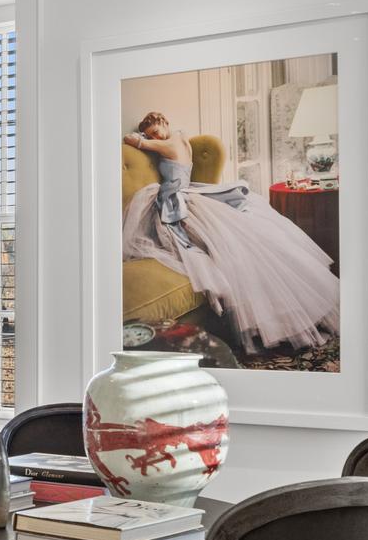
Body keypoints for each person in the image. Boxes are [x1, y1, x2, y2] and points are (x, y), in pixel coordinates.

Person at [121, 112, 339, 358]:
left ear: (163, 123)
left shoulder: (170, 142)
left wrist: (141, 138)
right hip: (183, 193)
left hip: (179, 197)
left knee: (203, 238)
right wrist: (148, 137)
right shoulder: (181, 138)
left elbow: (137, 142)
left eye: (155, 131)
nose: (153, 136)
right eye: (150, 134)